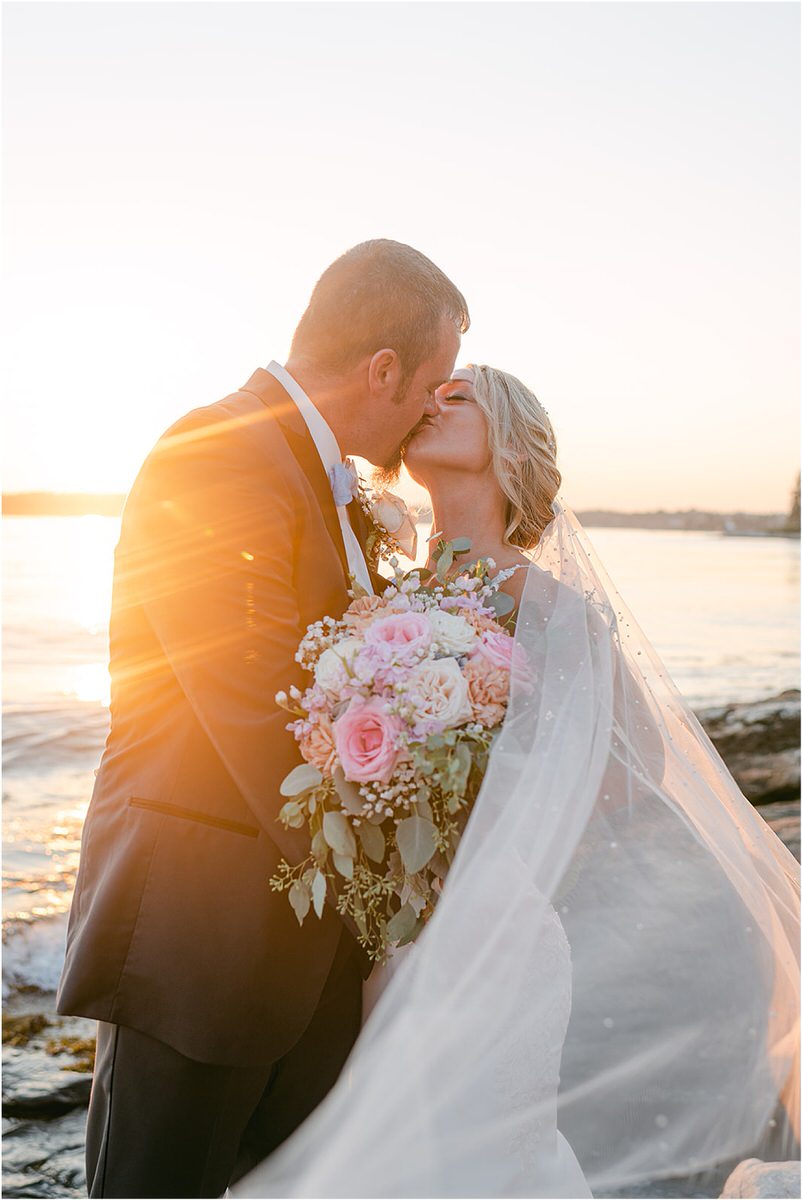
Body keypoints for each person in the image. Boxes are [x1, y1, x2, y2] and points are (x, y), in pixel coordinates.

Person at [234, 364, 799, 1199]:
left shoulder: (560, 609)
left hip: (500, 925)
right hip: (379, 938)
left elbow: (625, 776)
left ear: (508, 440)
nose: (431, 405)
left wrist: (485, 813)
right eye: (430, 395)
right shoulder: (380, 597)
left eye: (456, 398)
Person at [55, 239, 469, 1199]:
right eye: (431, 383)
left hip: (304, 952)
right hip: (200, 943)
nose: (430, 408)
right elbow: (250, 705)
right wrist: (399, 866)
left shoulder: (318, 477)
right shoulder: (220, 453)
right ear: (382, 370)